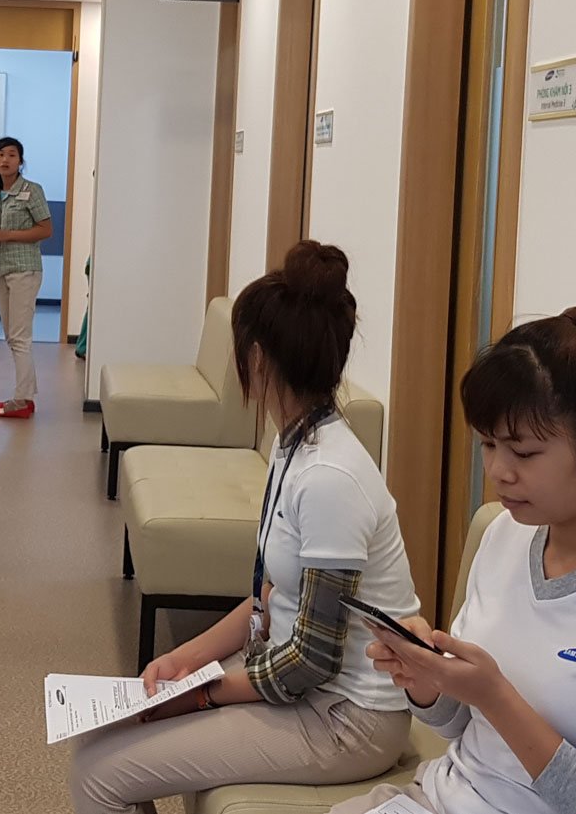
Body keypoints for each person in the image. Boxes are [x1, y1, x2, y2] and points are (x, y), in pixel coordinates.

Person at [331, 308, 576, 814]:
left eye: (524, 453)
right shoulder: (504, 535)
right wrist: (429, 684)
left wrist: (497, 696)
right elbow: (465, 729)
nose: (499, 471)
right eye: (488, 444)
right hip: (435, 798)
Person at [67, 241, 419, 813]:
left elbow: (313, 659)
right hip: (302, 682)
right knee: (97, 740)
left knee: (97, 776)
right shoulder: (298, 441)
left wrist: (200, 695)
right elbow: (271, 598)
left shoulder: (329, 477)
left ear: (256, 358)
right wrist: (185, 661)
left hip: (347, 717)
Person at [0, 136, 53, 418]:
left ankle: (22, 400)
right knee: (12, 337)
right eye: (1, 154)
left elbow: (45, 230)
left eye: (12, 155)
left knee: (19, 337)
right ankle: (26, 396)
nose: (5, 159)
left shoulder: (32, 190)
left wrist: (7, 235)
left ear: (20, 161)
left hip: (25, 269)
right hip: (1, 269)